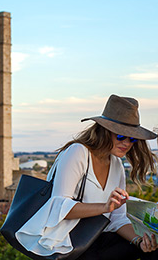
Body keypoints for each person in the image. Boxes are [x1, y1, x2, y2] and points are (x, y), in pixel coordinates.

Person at [15, 94, 158, 260]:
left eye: (132, 138)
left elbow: (117, 219)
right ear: (105, 131)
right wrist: (104, 207)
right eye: (120, 135)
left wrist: (140, 241)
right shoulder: (78, 152)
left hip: (98, 239)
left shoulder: (117, 165)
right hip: (67, 241)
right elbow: (58, 206)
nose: (126, 143)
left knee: (153, 249)